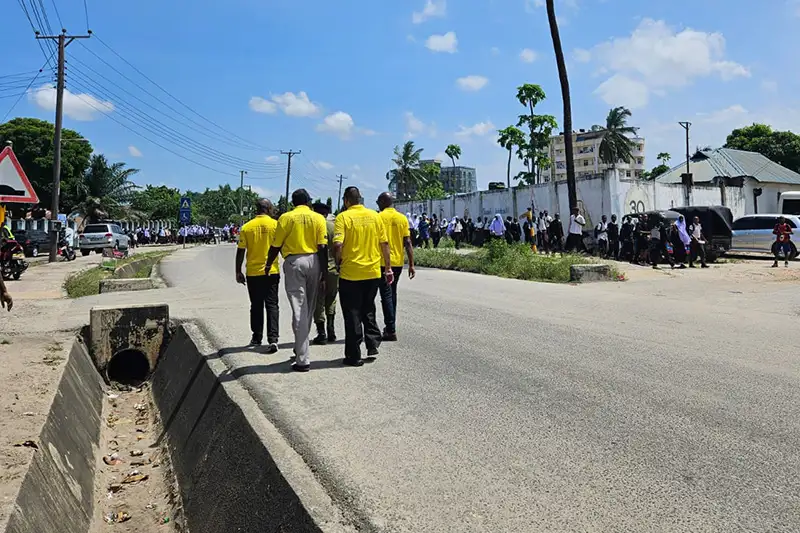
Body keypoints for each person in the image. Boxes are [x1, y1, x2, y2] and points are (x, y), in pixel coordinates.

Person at [265, 189, 328, 372]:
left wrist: (269, 264)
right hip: (314, 261)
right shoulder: (318, 218)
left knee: (299, 308)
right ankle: (300, 347)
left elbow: (275, 245)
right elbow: (322, 246)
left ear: (293, 202)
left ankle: (302, 359)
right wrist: (323, 271)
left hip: (294, 263)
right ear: (308, 201)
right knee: (307, 309)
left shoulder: (286, 218)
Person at [333, 186, 392, 367]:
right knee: (368, 308)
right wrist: (388, 268)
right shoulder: (375, 216)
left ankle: (354, 355)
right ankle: (373, 343)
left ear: (346, 200)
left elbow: (337, 244)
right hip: (373, 272)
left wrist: (338, 262)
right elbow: (384, 243)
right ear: (361, 199)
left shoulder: (343, 217)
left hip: (351, 273)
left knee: (352, 313)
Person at [236, 199, 281, 352]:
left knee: (256, 305)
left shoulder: (247, 227)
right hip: (272, 271)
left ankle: (257, 337)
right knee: (272, 305)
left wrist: (238, 271)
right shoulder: (276, 225)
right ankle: (273, 338)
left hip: (253, 273)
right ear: (268, 209)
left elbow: (241, 250)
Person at [377, 192, 416, 341]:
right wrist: (411, 264)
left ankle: (390, 329)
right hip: (398, 263)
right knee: (392, 293)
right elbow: (408, 242)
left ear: (382, 202)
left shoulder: (378, 217)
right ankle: (390, 325)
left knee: (386, 295)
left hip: (382, 262)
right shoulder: (402, 218)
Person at [311, 202, 339, 345]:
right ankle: (331, 330)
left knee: (318, 301)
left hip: (318, 269)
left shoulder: (313, 227)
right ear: (327, 214)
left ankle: (321, 333)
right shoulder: (334, 227)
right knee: (332, 298)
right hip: (333, 268)